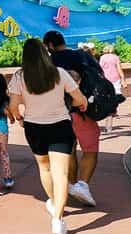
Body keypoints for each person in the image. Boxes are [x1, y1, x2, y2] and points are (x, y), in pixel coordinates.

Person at [8, 37, 87, 234]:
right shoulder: (59, 74)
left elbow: (13, 106)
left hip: (34, 128)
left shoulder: (20, 77)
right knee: (61, 173)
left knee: (45, 168)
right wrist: (82, 104)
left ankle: (53, 203)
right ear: (45, 54)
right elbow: (79, 98)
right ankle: (58, 220)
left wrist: (19, 117)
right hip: (60, 126)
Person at [42, 30, 100, 208]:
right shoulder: (82, 56)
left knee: (69, 151)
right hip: (83, 110)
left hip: (59, 114)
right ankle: (82, 185)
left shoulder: (49, 62)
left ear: (50, 45)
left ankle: (70, 185)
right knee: (90, 149)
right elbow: (99, 76)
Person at [99, 44, 126, 132]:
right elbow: (119, 68)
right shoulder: (115, 57)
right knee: (117, 95)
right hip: (115, 78)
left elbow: (100, 69)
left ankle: (109, 110)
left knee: (107, 96)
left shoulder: (102, 58)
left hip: (106, 79)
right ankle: (113, 110)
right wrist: (123, 79)